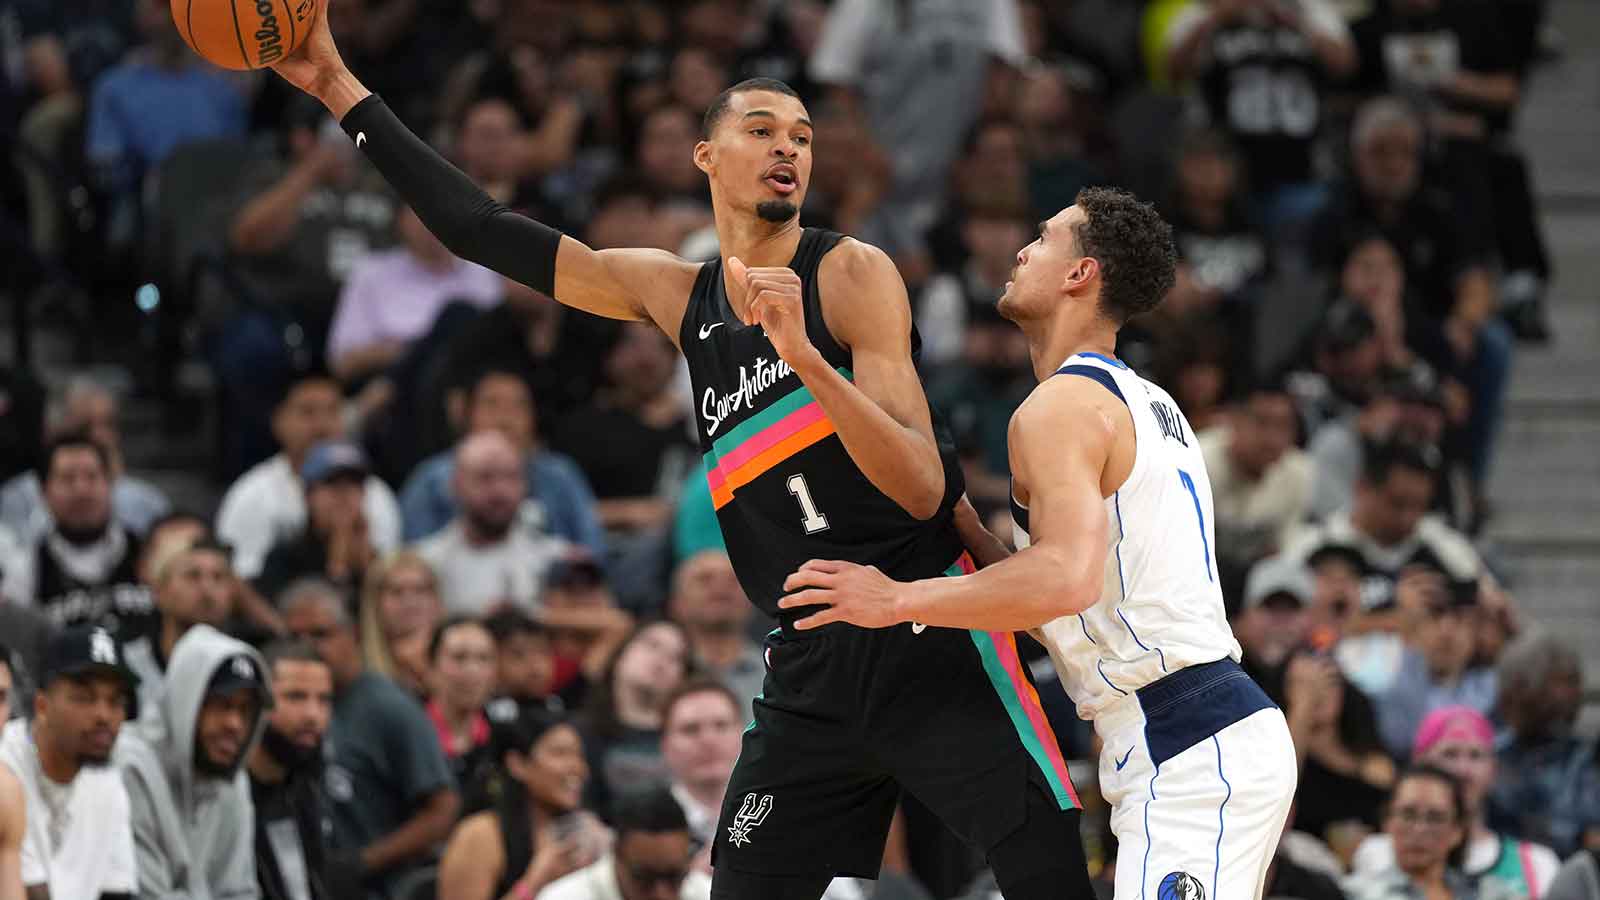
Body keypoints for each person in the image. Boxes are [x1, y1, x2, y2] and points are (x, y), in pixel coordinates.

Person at [271, 13, 1091, 897]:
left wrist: (807, 359)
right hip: (811, 661)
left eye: (804, 138)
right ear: (706, 159)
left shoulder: (849, 271)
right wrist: (336, 89)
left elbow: (923, 486)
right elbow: (480, 228)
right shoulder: (675, 294)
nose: (790, 150)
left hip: (928, 627)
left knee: (1048, 879)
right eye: (762, 130)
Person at [782, 189, 1298, 900]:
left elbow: (1064, 581)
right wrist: (961, 521)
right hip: (1195, 729)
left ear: (1079, 274)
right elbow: (1061, 599)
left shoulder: (1058, 407)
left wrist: (895, 599)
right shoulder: (1141, 400)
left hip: (1186, 735)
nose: (1022, 251)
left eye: (1044, 238)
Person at [278, 576, 460, 895]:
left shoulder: (388, 707)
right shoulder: (280, 706)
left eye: (321, 634)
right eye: (295, 636)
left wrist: (365, 861)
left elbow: (443, 809)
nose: (308, 646)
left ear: (353, 634)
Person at [116, 625, 272, 900]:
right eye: (222, 704)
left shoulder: (231, 778)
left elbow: (241, 891)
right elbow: (144, 896)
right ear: (186, 700)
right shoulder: (130, 767)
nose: (234, 724)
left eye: (245, 710)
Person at [1353, 707, 1560, 900]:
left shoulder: (1536, 863)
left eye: (1475, 755)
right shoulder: (1378, 852)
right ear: (1419, 763)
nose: (1463, 771)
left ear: (1494, 769)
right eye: (1449, 754)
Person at [216, 373, 402, 581]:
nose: (321, 426)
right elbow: (238, 579)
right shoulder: (252, 494)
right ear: (278, 420)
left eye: (333, 411)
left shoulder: (376, 492)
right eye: (307, 412)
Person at [0, 626, 141, 900]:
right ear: (42, 706)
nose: (103, 715)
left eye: (115, 701)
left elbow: (118, 892)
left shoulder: (108, 780)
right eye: (85, 698)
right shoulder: (7, 765)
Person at [436, 708, 600, 900]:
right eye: (560, 753)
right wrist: (534, 883)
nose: (578, 768)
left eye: (579, 756)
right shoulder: (480, 835)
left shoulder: (582, 832)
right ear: (518, 764)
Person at [0, 433, 152, 636]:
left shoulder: (148, 553)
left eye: (91, 476)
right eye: (67, 478)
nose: (81, 490)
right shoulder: (26, 568)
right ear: (44, 492)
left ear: (111, 484)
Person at [414, 430, 570, 615]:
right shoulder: (424, 565)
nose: (500, 490)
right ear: (455, 485)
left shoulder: (559, 561)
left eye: (510, 477)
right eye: (485, 477)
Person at [1486, 631, 1598, 858]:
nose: (1572, 694)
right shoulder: (1490, 761)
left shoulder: (1587, 759)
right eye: (1560, 683)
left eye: (1574, 682)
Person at [1343, 766, 1517, 900]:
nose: (1420, 829)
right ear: (1387, 822)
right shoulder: (1355, 894)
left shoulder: (1493, 894)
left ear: (1457, 831)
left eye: (1435, 818)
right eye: (1408, 814)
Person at [248, 639, 336, 900]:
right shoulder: (228, 797)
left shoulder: (305, 790)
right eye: (295, 697)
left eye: (323, 700)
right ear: (258, 700)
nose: (313, 715)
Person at [255, 439, 383, 604]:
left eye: (354, 484)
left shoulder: (378, 561)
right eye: (332, 484)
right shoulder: (285, 559)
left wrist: (369, 570)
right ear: (308, 495)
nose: (344, 495)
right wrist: (337, 565)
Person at [123, 535, 237, 715]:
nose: (208, 589)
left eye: (218, 577)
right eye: (192, 576)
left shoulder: (245, 666)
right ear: (159, 591)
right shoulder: (126, 666)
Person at [539, 785, 713, 900]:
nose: (661, 895)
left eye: (674, 877)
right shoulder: (564, 897)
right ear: (615, 852)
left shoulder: (707, 894)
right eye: (644, 878)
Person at [659, 679, 745, 874]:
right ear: (665, 745)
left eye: (721, 726)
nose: (708, 740)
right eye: (690, 729)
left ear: (744, 734)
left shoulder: (779, 812)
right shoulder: (646, 826)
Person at [665, 551, 763, 710]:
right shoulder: (658, 674)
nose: (721, 588)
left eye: (734, 580)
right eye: (704, 579)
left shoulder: (780, 673)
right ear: (676, 603)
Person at [357, 550, 444, 698]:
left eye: (420, 590)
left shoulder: (464, 658)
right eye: (396, 592)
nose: (410, 602)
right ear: (375, 603)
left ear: (436, 601)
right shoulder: (358, 667)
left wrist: (424, 671)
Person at [426, 616, 499, 785]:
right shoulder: (412, 735)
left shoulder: (503, 740)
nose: (472, 670)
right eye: (459, 657)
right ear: (431, 667)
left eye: (483, 658)